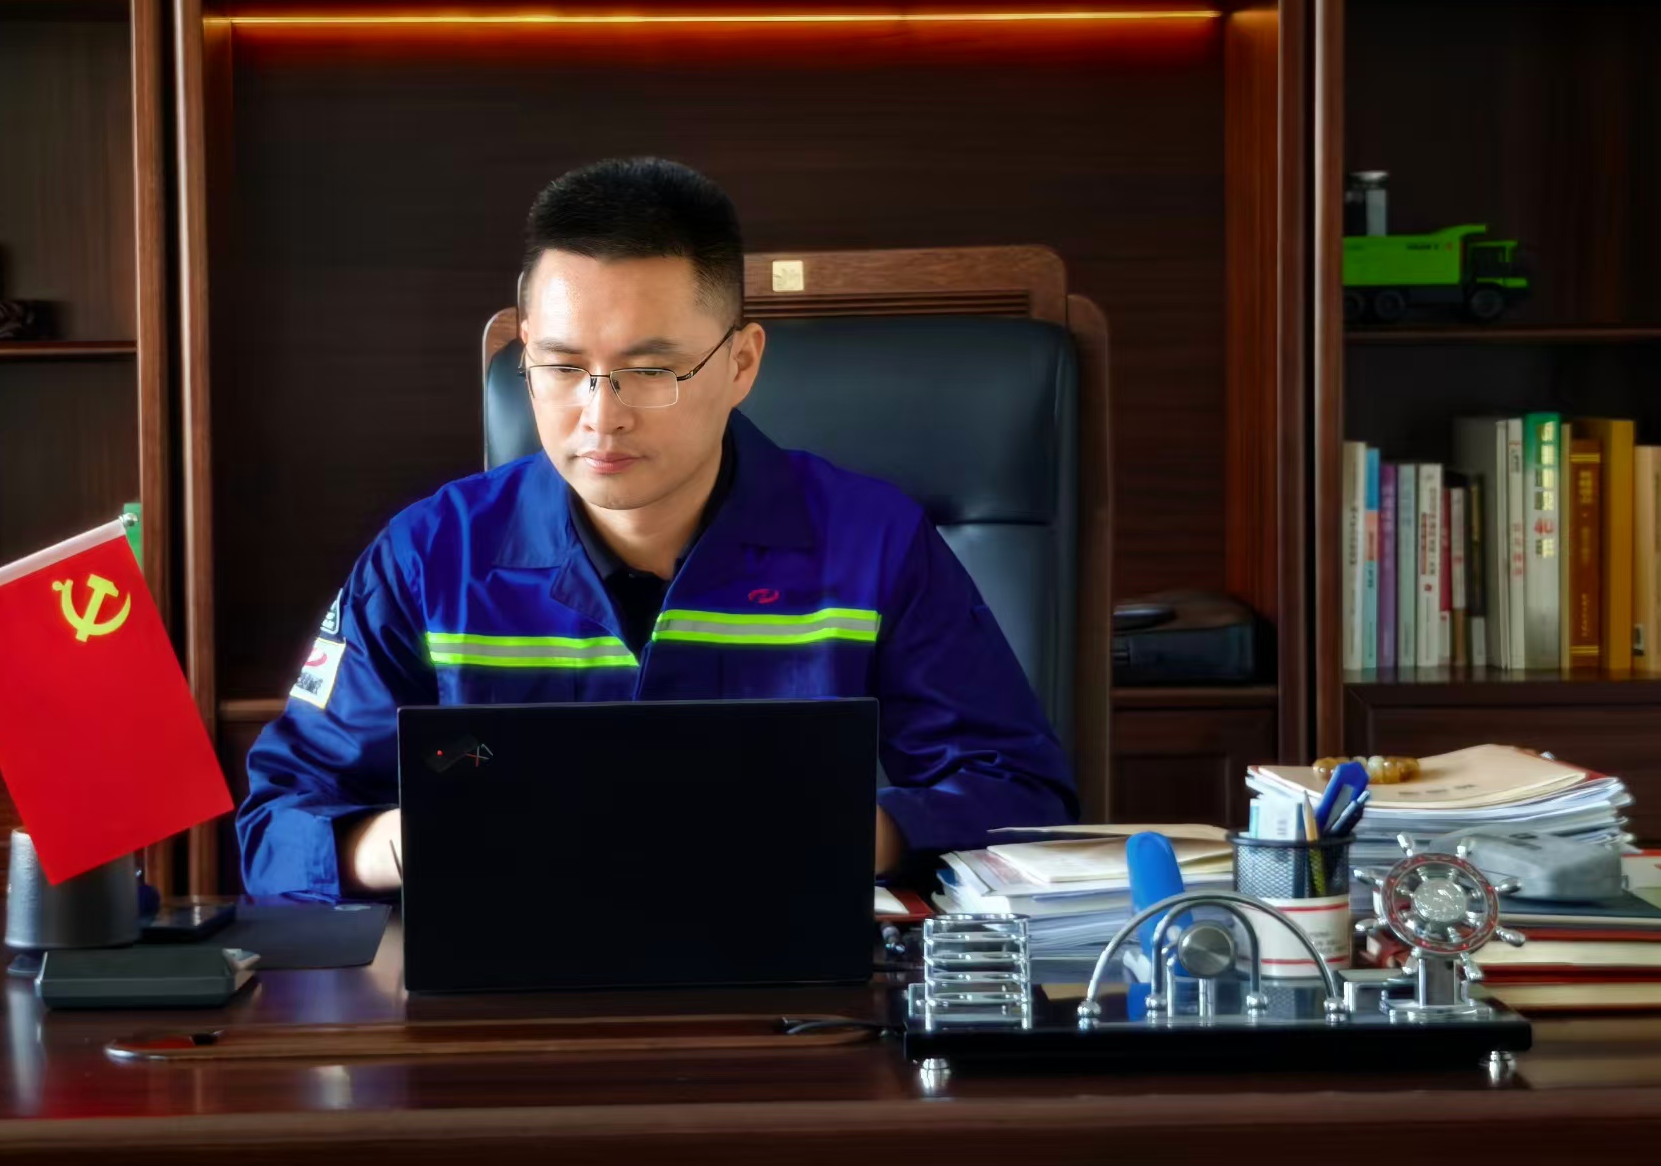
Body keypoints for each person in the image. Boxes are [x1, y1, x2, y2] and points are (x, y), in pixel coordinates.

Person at [235, 157, 1076, 903]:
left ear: (741, 363)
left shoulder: (875, 544)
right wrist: (407, 843)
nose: (600, 416)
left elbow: (1020, 795)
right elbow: (278, 826)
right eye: (562, 366)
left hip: (792, 980)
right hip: (504, 988)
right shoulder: (429, 556)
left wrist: (844, 833)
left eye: (651, 370)